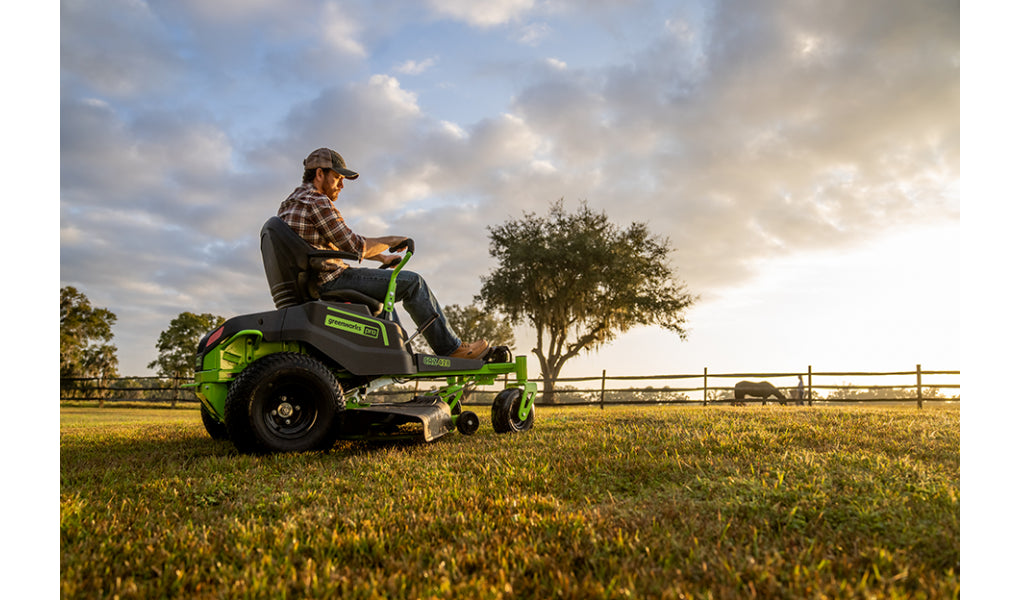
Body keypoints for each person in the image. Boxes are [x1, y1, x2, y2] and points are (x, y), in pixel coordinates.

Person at [277, 147, 489, 360]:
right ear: (319, 174)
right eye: (338, 178)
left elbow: (334, 243)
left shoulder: (288, 205)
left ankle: (397, 355)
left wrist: (382, 257)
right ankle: (451, 349)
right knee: (413, 283)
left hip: (313, 282)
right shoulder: (316, 201)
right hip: (332, 280)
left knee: (385, 298)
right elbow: (354, 245)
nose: (341, 185)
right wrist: (391, 241)